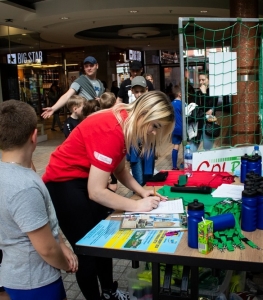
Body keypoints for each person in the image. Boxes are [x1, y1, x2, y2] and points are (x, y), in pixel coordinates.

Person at [42, 91, 174, 300]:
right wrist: (139, 206)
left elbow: (119, 170)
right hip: (63, 182)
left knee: (103, 242)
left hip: (83, 179)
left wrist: (141, 191)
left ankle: (109, 292)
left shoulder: (124, 122)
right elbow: (97, 192)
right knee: (87, 251)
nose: (155, 133)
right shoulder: (113, 129)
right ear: (143, 114)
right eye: (155, 126)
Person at [0, 100, 78, 300]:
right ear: (34, 136)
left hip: (14, 274)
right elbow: (46, 248)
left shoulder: (13, 173)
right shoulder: (24, 187)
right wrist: (65, 263)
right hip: (35, 281)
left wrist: (60, 243)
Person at [126, 76, 155, 186]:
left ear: (146, 90)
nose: (139, 94)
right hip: (135, 148)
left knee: (149, 179)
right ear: (132, 91)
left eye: (141, 91)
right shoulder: (130, 108)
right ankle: (137, 202)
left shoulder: (151, 106)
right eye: (136, 91)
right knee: (138, 181)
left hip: (148, 147)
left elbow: (157, 127)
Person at [188, 73, 218, 152]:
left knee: (208, 148)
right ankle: (189, 161)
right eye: (199, 80)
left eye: (203, 80)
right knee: (193, 146)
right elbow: (197, 108)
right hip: (198, 123)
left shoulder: (214, 92)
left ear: (209, 80)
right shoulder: (197, 93)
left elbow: (208, 107)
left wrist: (204, 94)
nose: (201, 82)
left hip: (209, 124)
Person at [171, 85, 183, 170]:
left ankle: (174, 166)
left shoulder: (171, 104)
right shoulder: (183, 104)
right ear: (179, 94)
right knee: (186, 145)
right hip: (182, 128)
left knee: (176, 146)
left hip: (174, 128)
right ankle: (185, 163)